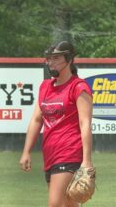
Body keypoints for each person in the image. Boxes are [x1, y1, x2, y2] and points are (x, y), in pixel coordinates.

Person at [19, 41, 93, 207]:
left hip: (70, 151)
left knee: (55, 204)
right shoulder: (45, 86)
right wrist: (26, 151)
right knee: (68, 204)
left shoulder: (78, 86)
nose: (50, 62)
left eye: (56, 58)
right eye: (48, 58)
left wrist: (87, 160)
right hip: (50, 153)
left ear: (69, 59)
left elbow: (85, 123)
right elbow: (37, 120)